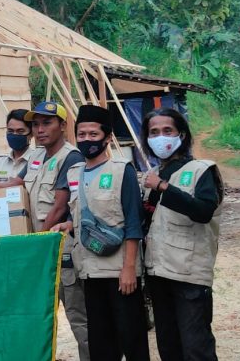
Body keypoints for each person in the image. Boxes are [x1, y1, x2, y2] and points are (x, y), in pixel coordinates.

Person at [51, 105, 149, 361]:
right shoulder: (75, 172)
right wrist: (69, 225)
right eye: (81, 134)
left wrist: (129, 268)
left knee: (132, 337)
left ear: (107, 137)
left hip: (118, 271)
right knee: (101, 341)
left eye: (93, 135)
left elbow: (133, 222)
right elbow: (87, 215)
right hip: (89, 270)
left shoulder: (121, 170)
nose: (87, 140)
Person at [141, 107, 223, 361]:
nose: (161, 137)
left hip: (189, 274)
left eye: (168, 131)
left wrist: (164, 188)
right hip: (158, 272)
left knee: (196, 346)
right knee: (169, 345)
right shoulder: (152, 175)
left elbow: (203, 211)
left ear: (182, 135)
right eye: (154, 132)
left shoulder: (201, 169)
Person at [17, 101, 90, 360]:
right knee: (38, 317)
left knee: (78, 318)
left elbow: (59, 207)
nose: (39, 130)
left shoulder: (71, 157)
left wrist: (35, 244)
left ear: (62, 125)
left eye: (46, 123)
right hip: (39, 249)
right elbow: (16, 185)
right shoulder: (36, 156)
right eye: (35, 124)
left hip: (61, 249)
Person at [0, 109, 34, 184]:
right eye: (10, 131)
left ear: (31, 134)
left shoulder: (37, 161)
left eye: (20, 131)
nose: (15, 134)